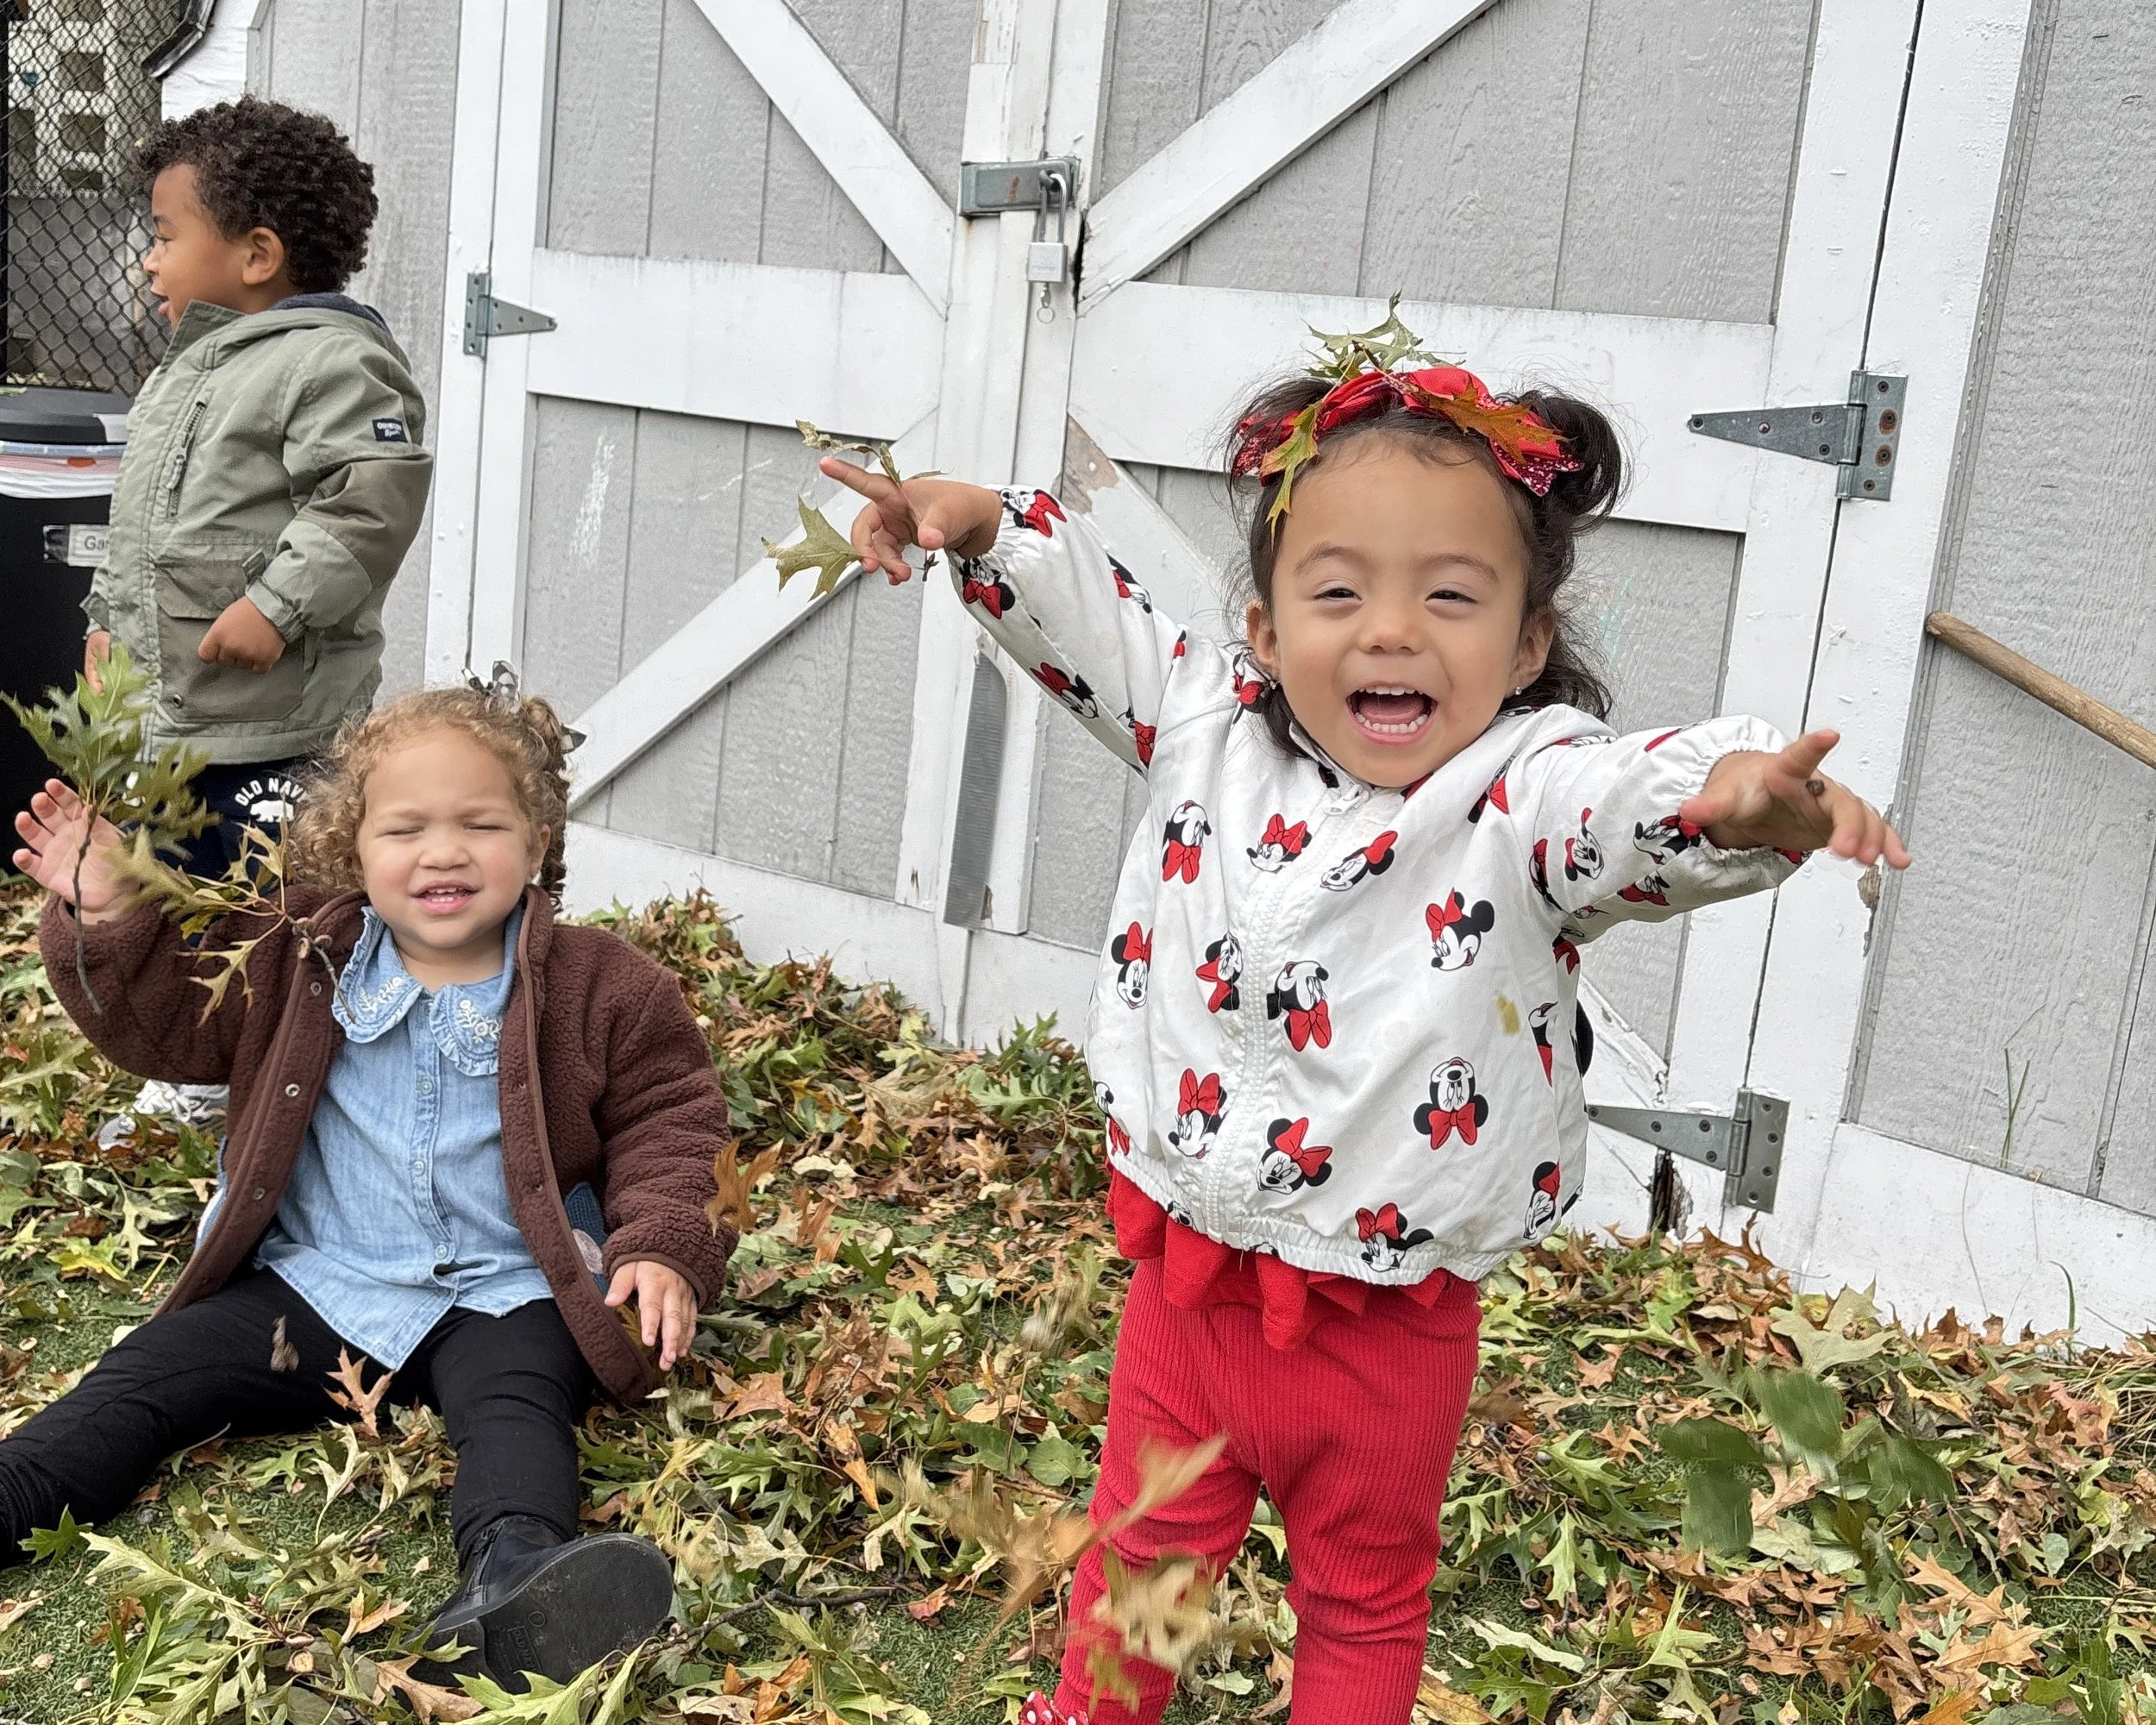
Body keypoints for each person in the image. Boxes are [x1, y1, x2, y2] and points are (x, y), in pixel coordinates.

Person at [823, 346, 1908, 1725]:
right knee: (1142, 1567)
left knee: (1365, 1596)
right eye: (1337, 592)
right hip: (1192, 1295)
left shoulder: (1523, 795)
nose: (1391, 631)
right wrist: (972, 519)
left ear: (1524, 645)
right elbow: (1090, 618)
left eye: (1451, 597)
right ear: (1268, 630)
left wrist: (1730, 797)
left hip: (1386, 1327)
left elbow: (1628, 806)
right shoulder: (1204, 725)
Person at [7, 682, 733, 1690]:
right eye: (405, 828)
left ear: (536, 842)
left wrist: (659, 1243)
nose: (443, 851)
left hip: (506, 1286)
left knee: (517, 1410)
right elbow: (165, 1020)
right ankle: (19, 1486)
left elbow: (672, 1118)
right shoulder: (292, 947)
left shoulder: (602, 984)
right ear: (353, 851)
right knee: (148, 1375)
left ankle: (510, 1579)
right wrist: (118, 912)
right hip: (315, 1282)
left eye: (481, 823)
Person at [85, 96, 433, 876]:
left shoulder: (331, 363)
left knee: (271, 915)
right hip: (172, 725)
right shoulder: (190, 371)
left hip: (276, 733)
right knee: (169, 912)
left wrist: (277, 606)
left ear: (257, 256)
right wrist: (105, 615)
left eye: (166, 236)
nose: (149, 259)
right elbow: (141, 522)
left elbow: (370, 499)